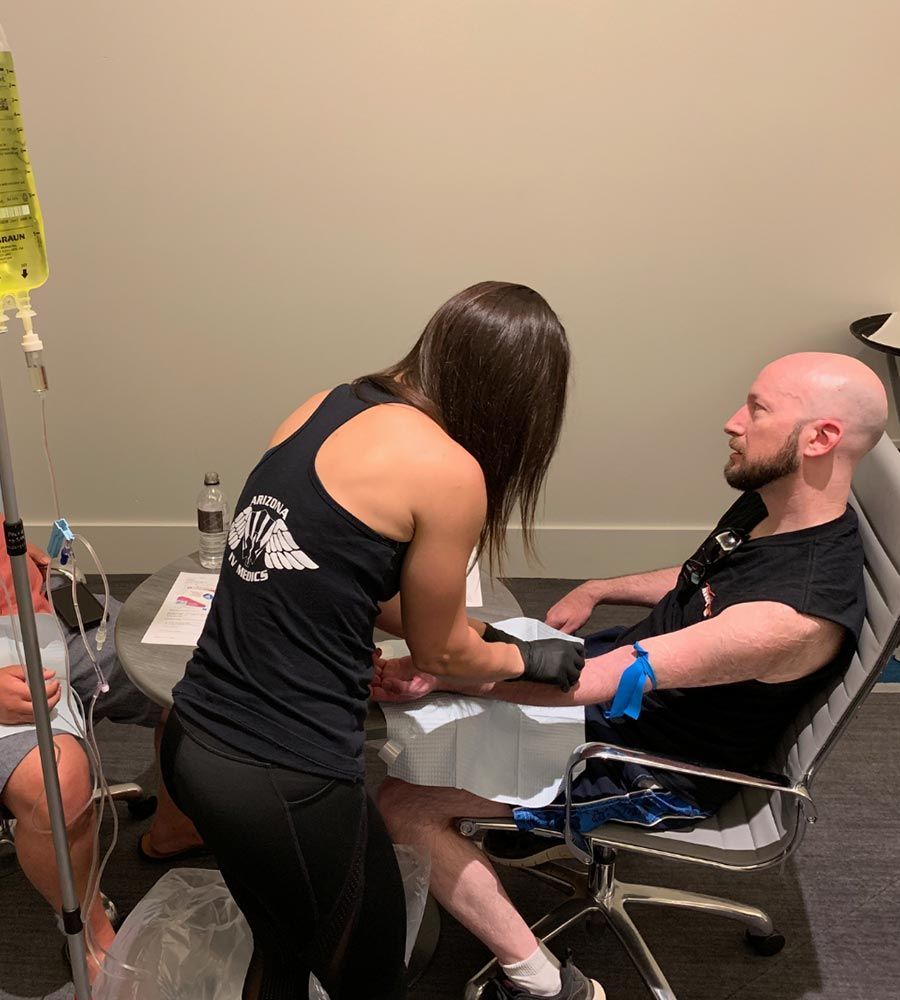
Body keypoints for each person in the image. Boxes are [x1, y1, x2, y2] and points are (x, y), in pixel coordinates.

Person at [373, 352, 889, 1000]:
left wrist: (444, 671)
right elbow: (697, 581)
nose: (733, 423)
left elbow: (597, 682)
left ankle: (545, 982)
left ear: (821, 438)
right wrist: (598, 587)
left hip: (650, 763)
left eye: (757, 410)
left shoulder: (786, 618)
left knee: (403, 802)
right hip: (630, 701)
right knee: (482, 649)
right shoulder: (775, 508)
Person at [161, 281, 587, 1000]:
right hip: (281, 777)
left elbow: (345, 579)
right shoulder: (450, 470)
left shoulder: (327, 404)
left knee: (283, 945)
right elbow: (441, 655)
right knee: (370, 974)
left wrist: (474, 634)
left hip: (191, 739)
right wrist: (527, 657)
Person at [0, 519, 202, 985]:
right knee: (59, 781)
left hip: (45, 619)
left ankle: (177, 827)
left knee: (204, 671)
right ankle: (92, 935)